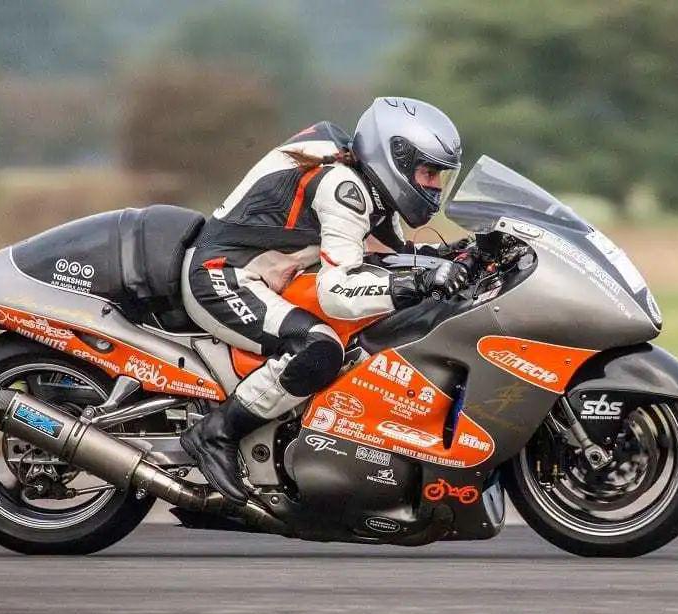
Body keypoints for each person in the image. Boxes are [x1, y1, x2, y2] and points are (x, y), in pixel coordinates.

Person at [180, 97, 469, 505]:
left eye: (439, 175)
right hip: (221, 275)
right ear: (395, 160)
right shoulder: (342, 188)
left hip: (262, 275)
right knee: (320, 349)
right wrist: (420, 281)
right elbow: (338, 292)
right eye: (429, 172)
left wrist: (463, 254)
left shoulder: (366, 182)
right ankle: (216, 433)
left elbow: (396, 253)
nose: (435, 186)